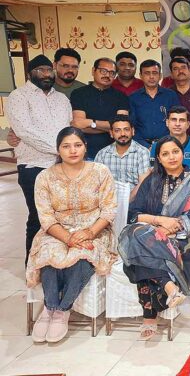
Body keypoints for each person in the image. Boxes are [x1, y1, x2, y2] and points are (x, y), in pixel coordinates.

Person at [27, 127, 117, 343]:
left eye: (77, 145)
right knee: (50, 254)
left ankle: (62, 310)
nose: (73, 150)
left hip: (95, 230)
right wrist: (68, 238)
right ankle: (49, 307)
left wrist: (89, 232)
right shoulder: (45, 177)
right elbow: (46, 217)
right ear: (58, 150)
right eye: (66, 146)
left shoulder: (100, 172)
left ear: (85, 147)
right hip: (57, 231)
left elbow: (109, 210)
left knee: (81, 256)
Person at [119, 135, 190, 339]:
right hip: (151, 234)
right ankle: (171, 288)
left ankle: (149, 317)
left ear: (183, 154)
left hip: (183, 239)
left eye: (175, 152)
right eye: (165, 154)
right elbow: (133, 215)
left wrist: (172, 228)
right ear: (159, 159)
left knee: (140, 251)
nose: (172, 157)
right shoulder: (151, 181)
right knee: (138, 237)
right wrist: (160, 222)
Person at [5, 55, 73, 263]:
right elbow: (24, 131)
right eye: (40, 70)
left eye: (49, 70)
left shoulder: (62, 99)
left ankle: (56, 263)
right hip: (34, 167)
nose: (46, 74)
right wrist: (60, 150)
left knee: (61, 217)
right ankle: (33, 267)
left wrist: (65, 153)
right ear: (30, 73)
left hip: (62, 167)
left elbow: (68, 129)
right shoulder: (18, 97)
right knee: (39, 217)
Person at [70, 57, 130, 159]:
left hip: (113, 153)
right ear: (93, 71)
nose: (107, 75)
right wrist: (110, 127)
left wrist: (91, 123)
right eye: (103, 71)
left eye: (112, 73)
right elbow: (78, 125)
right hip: (86, 152)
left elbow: (121, 127)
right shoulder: (79, 93)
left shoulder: (121, 96)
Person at [129, 60, 181, 148]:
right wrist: (146, 146)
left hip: (168, 144)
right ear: (141, 76)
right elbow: (131, 125)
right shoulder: (133, 98)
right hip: (141, 146)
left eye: (155, 73)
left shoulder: (170, 95)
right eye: (147, 73)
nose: (151, 77)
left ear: (160, 75)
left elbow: (177, 121)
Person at [94, 114, 150, 189]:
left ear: (133, 131)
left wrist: (128, 197)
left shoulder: (142, 153)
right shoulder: (102, 154)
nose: (122, 134)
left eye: (126, 129)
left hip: (135, 196)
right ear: (111, 133)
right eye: (117, 130)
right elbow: (97, 183)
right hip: (109, 195)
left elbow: (143, 186)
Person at [150, 106, 190, 170]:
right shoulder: (156, 146)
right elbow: (154, 172)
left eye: (182, 120)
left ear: (188, 124)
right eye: (174, 120)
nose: (177, 124)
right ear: (167, 123)